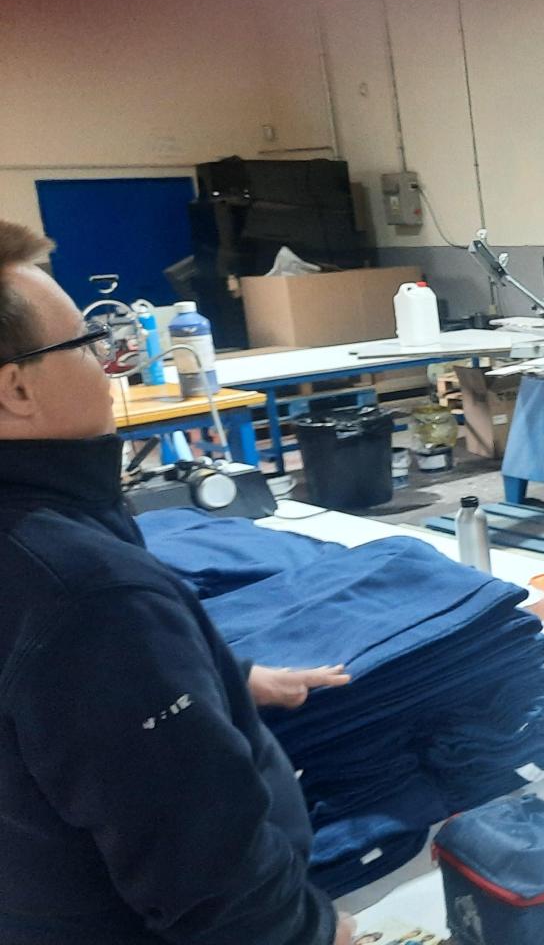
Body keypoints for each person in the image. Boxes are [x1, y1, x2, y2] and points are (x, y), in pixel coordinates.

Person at [0, 219, 354, 944]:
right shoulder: (88, 595)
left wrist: (221, 678)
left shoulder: (54, 536)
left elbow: (43, 707)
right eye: (86, 345)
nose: (110, 365)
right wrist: (316, 934)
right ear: (16, 390)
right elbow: (210, 873)